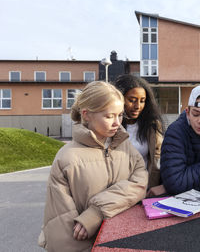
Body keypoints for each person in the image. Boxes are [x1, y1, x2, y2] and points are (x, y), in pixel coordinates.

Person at [38, 81, 148, 252]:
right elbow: (62, 226)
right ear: (86, 114)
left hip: (123, 242)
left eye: (120, 115)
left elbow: (140, 180)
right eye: (109, 116)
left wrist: (97, 211)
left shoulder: (125, 146)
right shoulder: (66, 158)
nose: (117, 123)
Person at [114, 74, 164, 196]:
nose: (137, 106)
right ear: (119, 99)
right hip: (116, 191)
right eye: (131, 100)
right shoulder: (111, 126)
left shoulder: (152, 126)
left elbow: (158, 160)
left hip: (144, 191)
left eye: (142, 101)